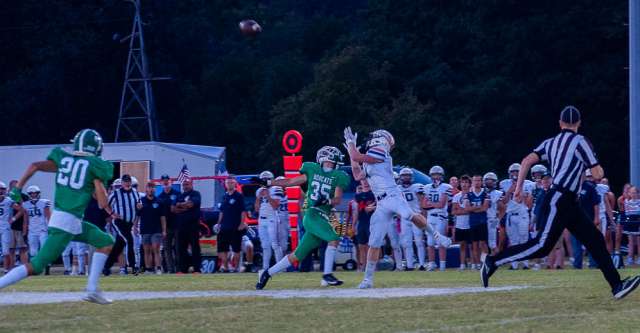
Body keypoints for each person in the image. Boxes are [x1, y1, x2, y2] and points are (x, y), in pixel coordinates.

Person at [481, 105, 640, 300]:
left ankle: (617, 285)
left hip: (567, 201)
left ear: (560, 123)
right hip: (561, 198)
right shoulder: (581, 142)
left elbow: (526, 161)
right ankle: (493, 261)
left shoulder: (551, 142)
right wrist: (589, 165)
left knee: (595, 240)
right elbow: (598, 174)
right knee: (542, 246)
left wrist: (519, 187)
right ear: (579, 123)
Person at [0, 128, 115, 304]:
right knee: (36, 265)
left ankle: (92, 290)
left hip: (64, 219)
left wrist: (17, 188)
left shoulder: (65, 160)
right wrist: (98, 180)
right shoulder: (95, 167)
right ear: (97, 148)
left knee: (105, 241)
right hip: (67, 223)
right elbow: (102, 203)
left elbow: (34, 165)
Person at [343, 128, 451, 289]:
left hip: (392, 195)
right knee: (375, 241)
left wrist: (352, 145)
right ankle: (368, 279)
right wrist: (352, 154)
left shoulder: (380, 152)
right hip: (381, 203)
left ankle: (436, 236)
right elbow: (358, 174)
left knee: (408, 214)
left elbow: (357, 156)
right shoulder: (370, 159)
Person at [256, 146, 350, 289]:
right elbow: (289, 182)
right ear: (329, 159)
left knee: (297, 255)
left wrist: (327, 201)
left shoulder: (338, 176)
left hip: (324, 214)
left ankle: (267, 273)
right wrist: (269, 182)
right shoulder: (312, 170)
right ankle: (327, 275)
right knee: (334, 237)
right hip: (312, 213)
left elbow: (337, 199)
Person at [103, 174, 141, 275]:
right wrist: (112, 214)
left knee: (118, 247)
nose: (127, 183)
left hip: (129, 223)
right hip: (119, 222)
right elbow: (105, 204)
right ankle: (133, 266)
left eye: (128, 181)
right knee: (129, 240)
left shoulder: (135, 192)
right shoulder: (116, 193)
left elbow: (138, 205)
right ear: (122, 183)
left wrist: (139, 206)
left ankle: (106, 267)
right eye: (125, 181)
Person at [499, 163, 535, 270]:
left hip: (523, 214)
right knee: (513, 241)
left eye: (517, 172)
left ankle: (525, 264)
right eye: (513, 172)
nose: (515, 174)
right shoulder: (504, 184)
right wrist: (510, 190)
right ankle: (514, 264)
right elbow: (504, 202)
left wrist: (521, 194)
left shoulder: (528, 184)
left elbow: (529, 204)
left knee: (524, 239)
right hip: (510, 215)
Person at [422, 165, 453, 271]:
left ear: (442, 176)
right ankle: (431, 264)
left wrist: (431, 204)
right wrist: (435, 204)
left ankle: (442, 266)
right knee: (430, 242)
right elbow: (423, 205)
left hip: (441, 217)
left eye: (438, 174)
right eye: (434, 175)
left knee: (440, 242)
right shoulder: (426, 187)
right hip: (430, 217)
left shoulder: (446, 187)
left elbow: (441, 204)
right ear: (431, 176)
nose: (436, 177)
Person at [215, 176, 247, 273]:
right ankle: (225, 266)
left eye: (231, 182)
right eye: (228, 182)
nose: (229, 184)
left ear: (235, 184)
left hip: (235, 226)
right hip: (224, 227)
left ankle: (236, 267)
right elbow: (221, 211)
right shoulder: (224, 196)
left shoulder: (239, 196)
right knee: (222, 248)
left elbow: (243, 211)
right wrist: (218, 223)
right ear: (225, 184)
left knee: (236, 249)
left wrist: (242, 223)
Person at [254, 171, 283, 271]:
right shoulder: (259, 191)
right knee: (265, 246)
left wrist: (267, 196)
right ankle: (265, 268)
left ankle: (280, 267)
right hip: (261, 220)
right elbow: (256, 209)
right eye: (263, 179)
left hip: (272, 219)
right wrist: (258, 197)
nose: (265, 181)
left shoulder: (276, 189)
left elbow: (276, 206)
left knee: (275, 244)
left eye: (267, 179)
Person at [397, 168, 425, 271]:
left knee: (419, 241)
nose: (406, 177)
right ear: (401, 177)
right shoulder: (397, 188)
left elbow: (422, 201)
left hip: (416, 216)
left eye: (408, 175)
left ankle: (422, 264)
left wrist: (423, 214)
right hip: (405, 217)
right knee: (407, 242)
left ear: (411, 177)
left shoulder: (417, 187)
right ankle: (410, 265)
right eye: (404, 175)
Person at [572, 170, 600, 269]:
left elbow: (596, 204)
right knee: (576, 244)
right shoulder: (572, 187)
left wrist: (596, 218)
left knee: (591, 243)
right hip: (575, 221)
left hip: (588, 219)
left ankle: (593, 264)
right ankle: (577, 265)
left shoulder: (590, 187)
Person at [173, 179, 202, 274]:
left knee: (195, 248)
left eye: (187, 184)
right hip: (181, 226)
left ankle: (196, 269)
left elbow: (191, 204)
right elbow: (173, 209)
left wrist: (180, 205)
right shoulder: (180, 195)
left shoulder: (196, 194)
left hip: (193, 226)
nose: (185, 186)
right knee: (181, 248)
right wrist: (184, 207)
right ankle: (182, 269)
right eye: (184, 184)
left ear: (191, 184)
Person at [137, 182, 167, 274]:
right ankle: (148, 269)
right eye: (149, 187)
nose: (151, 189)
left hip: (156, 229)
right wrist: (134, 227)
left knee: (156, 248)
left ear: (155, 189)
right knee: (147, 250)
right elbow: (137, 216)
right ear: (146, 189)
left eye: (153, 187)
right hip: (145, 229)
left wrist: (164, 230)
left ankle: (158, 268)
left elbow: (163, 217)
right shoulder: (141, 201)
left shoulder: (159, 201)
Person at [157, 174, 179, 273]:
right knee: (167, 249)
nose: (165, 182)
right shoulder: (159, 197)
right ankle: (171, 269)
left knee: (178, 248)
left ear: (171, 182)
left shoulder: (177, 194)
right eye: (163, 181)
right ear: (161, 183)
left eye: (167, 181)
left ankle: (180, 268)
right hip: (166, 228)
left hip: (178, 225)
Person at [23, 186, 51, 261]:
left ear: (38, 193)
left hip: (43, 230)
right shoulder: (25, 204)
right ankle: (34, 268)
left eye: (35, 193)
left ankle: (47, 268)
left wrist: (50, 229)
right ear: (29, 194)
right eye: (31, 193)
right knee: (33, 251)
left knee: (44, 249)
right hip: (32, 230)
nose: (33, 195)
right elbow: (26, 220)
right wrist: (24, 232)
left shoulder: (44, 202)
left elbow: (49, 217)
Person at [468, 175, 490, 269]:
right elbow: (467, 208)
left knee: (483, 244)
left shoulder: (485, 193)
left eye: (479, 180)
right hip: (473, 222)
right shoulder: (468, 194)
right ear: (472, 182)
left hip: (482, 221)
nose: (477, 182)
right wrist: (478, 207)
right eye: (475, 180)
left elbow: (485, 208)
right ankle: (477, 264)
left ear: (481, 182)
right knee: (474, 244)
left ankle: (485, 263)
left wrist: (474, 208)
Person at [353, 180, 375, 271]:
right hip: (362, 222)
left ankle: (373, 266)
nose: (365, 183)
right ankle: (363, 266)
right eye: (363, 182)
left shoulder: (374, 194)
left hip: (372, 222)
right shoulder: (358, 196)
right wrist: (354, 224)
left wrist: (373, 207)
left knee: (372, 245)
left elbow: (379, 205)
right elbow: (357, 210)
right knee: (361, 245)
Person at [452, 175, 472, 270]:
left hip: (471, 224)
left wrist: (461, 210)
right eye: (463, 182)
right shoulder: (456, 196)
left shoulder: (472, 195)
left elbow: (472, 210)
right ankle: (462, 265)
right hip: (460, 224)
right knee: (462, 245)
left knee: (472, 246)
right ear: (460, 184)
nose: (464, 184)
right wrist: (466, 210)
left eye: (466, 182)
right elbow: (453, 211)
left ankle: (473, 264)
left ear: (469, 184)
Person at [483, 173, 504, 254]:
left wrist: (497, 220)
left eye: (491, 180)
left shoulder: (498, 193)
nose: (489, 182)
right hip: (481, 220)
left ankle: (496, 261)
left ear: (495, 182)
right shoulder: (481, 192)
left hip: (492, 220)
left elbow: (503, 208)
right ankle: (485, 262)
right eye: (487, 180)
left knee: (492, 243)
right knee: (483, 243)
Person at [0, 182, 17, 273]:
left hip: (5, 228)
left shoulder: (8, 201)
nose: (0, 191)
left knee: (6, 251)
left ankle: (7, 270)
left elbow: (21, 210)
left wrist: (13, 218)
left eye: (2, 189)